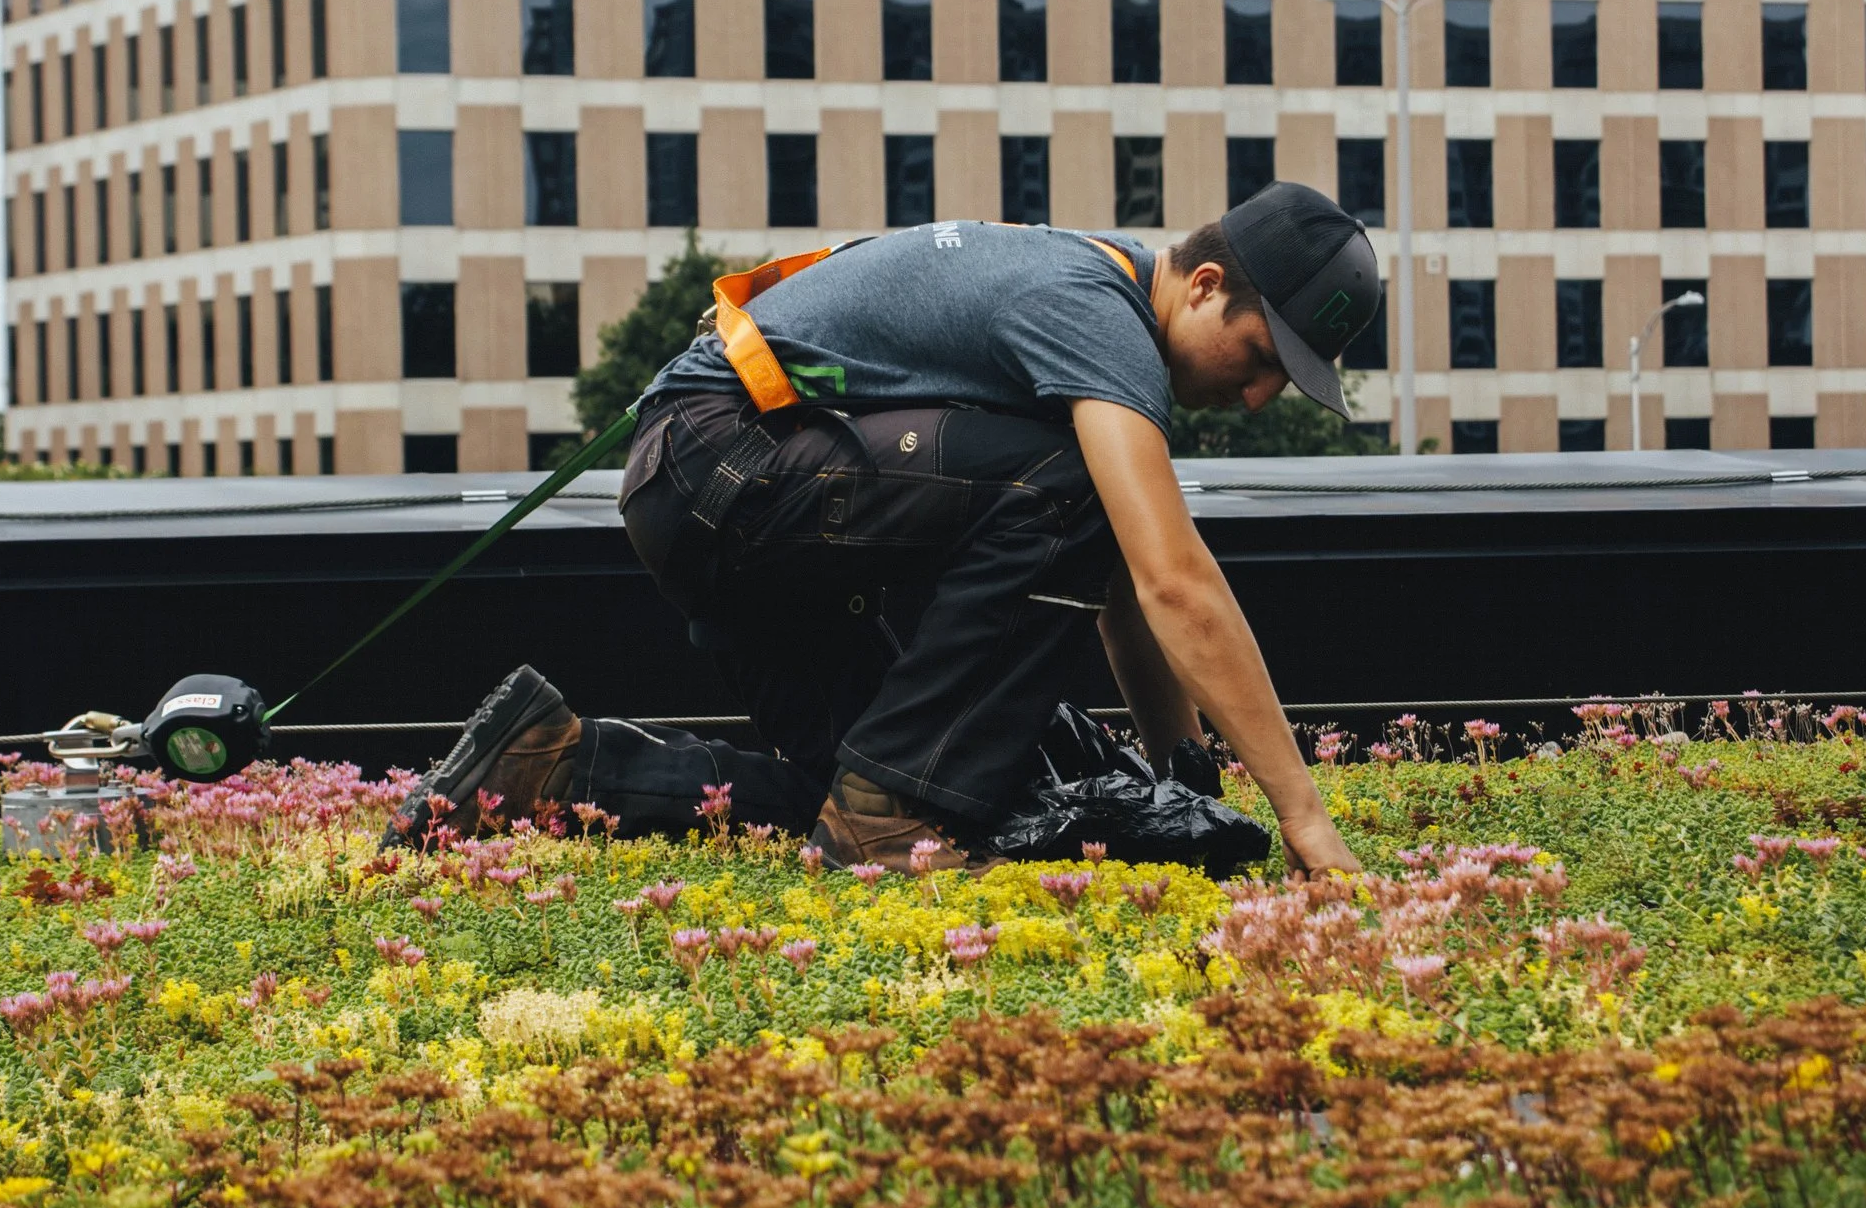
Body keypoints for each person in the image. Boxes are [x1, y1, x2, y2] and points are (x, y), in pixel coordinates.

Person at [387, 182, 1379, 874]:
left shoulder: (1082, 289)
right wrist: (1303, 814)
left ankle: (549, 765)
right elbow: (1172, 580)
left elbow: (1125, 583)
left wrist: (1183, 779)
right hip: (726, 465)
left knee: (872, 795)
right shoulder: (1096, 310)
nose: (1255, 397)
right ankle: (891, 817)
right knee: (906, 795)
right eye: (1258, 356)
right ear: (1202, 284)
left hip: (717, 485)